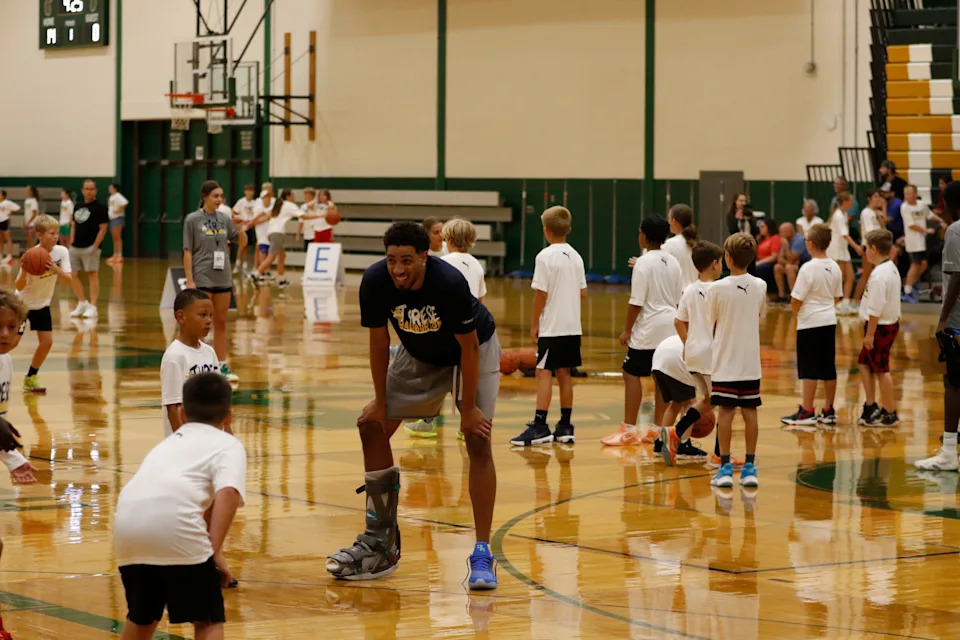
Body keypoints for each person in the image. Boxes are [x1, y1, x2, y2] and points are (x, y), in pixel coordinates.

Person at [325, 222, 501, 590]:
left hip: (472, 349)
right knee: (371, 425)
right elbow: (378, 342)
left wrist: (469, 409)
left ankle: (482, 552)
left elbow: (468, 347)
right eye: (392, 260)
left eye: (406, 260)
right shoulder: (375, 281)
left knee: (478, 439)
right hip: (420, 353)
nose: (398, 269)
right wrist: (380, 401)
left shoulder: (448, 282)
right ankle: (380, 541)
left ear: (425, 256)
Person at [114, 373, 245, 640]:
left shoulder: (165, 446)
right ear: (229, 416)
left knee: (142, 617)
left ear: (182, 414)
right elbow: (228, 493)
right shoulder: (228, 445)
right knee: (207, 620)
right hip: (176, 528)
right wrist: (213, 552)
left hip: (127, 530)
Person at [601, 216, 681, 446]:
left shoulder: (643, 263)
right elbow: (679, 299)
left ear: (644, 237)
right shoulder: (673, 261)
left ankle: (628, 429)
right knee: (660, 377)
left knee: (631, 373)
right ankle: (656, 429)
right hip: (670, 326)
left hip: (649, 328)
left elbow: (636, 302)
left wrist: (627, 330)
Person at [407, 218, 490, 439]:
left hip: (444, 328)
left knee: (433, 376)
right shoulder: (476, 264)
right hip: (469, 330)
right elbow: (479, 302)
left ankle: (427, 421)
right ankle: (467, 425)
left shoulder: (441, 263)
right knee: (465, 380)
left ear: (447, 237)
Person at [511, 206, 586, 447]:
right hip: (572, 326)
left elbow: (540, 295)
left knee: (543, 372)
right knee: (565, 373)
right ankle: (565, 426)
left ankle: (540, 426)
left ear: (546, 230)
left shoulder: (544, 257)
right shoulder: (576, 256)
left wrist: (535, 323)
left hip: (553, 326)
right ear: (569, 229)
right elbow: (583, 293)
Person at [708, 233, 766, 488]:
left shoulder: (717, 288)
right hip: (750, 362)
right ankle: (750, 468)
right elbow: (760, 316)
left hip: (725, 361)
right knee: (750, 412)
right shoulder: (760, 285)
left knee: (726, 412)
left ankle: (724, 468)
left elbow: (711, 321)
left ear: (728, 258)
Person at [671, 241, 734, 468]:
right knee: (726, 403)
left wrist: (688, 343)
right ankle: (719, 455)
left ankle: (676, 433)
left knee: (709, 400)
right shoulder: (720, 289)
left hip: (693, 354)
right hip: (712, 355)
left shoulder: (689, 289)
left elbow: (678, 322)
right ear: (715, 264)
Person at [916, 180, 960, 470]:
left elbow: (958, 276)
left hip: (957, 322)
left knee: (953, 384)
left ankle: (948, 453)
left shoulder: (955, 230)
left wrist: (943, 319)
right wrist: (944, 288)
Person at [780, 224, 843, 426]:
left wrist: (797, 314)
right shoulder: (835, 266)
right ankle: (829, 410)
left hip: (810, 323)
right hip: (829, 321)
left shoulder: (807, 268)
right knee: (828, 367)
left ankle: (807, 411)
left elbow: (796, 299)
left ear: (810, 244)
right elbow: (837, 297)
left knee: (809, 368)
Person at [183, 180, 244, 384]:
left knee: (221, 321)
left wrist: (241, 228)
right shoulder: (192, 219)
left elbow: (242, 242)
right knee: (201, 323)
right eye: (215, 196)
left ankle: (221, 365)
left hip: (223, 276)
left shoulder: (225, 219)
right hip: (202, 276)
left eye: (221, 196)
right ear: (205, 197)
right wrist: (190, 280)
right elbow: (187, 251)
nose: (219, 199)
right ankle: (197, 365)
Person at [15, 215, 72, 394]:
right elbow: (18, 286)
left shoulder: (62, 252)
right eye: (51, 233)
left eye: (57, 233)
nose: (56, 237)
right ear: (39, 235)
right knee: (12, 342)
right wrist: (25, 271)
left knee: (46, 343)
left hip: (42, 304)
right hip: (22, 305)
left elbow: (68, 280)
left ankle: (30, 378)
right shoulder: (31, 255)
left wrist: (56, 270)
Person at [857, 229, 902, 427]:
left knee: (882, 369)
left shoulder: (879, 276)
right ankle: (870, 405)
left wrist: (870, 334)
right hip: (885, 325)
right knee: (864, 363)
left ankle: (889, 412)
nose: (865, 251)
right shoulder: (889, 268)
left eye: (866, 247)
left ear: (873, 249)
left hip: (880, 327)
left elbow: (875, 309)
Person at [161, 289, 220, 437]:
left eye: (211, 315)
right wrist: (184, 442)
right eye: (203, 315)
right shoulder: (174, 356)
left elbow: (219, 399)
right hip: (186, 439)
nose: (208, 320)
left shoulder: (210, 353)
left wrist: (227, 435)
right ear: (181, 317)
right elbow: (173, 407)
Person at [650, 334, 709, 465]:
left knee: (675, 403)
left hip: (659, 358)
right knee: (691, 403)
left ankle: (661, 442)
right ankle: (684, 444)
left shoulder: (698, 333)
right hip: (677, 358)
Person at [68, 179, 109, 319]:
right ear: (82, 190)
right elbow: (74, 224)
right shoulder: (77, 206)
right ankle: (82, 303)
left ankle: (93, 306)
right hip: (75, 247)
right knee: (73, 275)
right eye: (87, 188)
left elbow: (103, 229)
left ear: (96, 190)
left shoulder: (100, 208)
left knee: (92, 275)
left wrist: (95, 246)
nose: (89, 191)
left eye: (92, 189)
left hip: (90, 247)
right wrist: (71, 240)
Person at [901, 184, 941, 303]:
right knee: (915, 265)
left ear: (915, 194)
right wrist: (926, 230)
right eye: (905, 194)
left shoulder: (921, 205)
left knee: (923, 264)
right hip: (913, 241)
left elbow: (930, 215)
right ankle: (907, 291)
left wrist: (941, 221)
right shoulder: (905, 207)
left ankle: (911, 283)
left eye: (909, 193)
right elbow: (911, 225)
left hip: (922, 241)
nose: (906, 196)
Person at [827, 191, 863, 315]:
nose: (852, 203)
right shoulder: (838, 215)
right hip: (836, 249)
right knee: (839, 278)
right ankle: (835, 304)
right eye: (851, 200)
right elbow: (844, 235)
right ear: (845, 202)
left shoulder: (844, 214)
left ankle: (845, 303)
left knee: (851, 277)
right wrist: (856, 247)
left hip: (843, 249)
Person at [854, 189, 887, 304]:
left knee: (876, 275)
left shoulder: (877, 213)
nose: (878, 199)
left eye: (879, 197)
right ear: (869, 199)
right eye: (876, 196)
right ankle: (856, 300)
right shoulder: (866, 212)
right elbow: (870, 232)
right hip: (869, 246)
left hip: (877, 246)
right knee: (866, 274)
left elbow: (883, 229)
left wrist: (882, 213)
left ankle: (871, 299)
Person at [661, 204, 700, 289]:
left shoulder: (669, 244)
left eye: (669, 218)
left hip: (678, 293)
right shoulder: (696, 243)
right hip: (695, 292)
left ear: (674, 221)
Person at [773, 222, 808, 302]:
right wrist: (788, 262)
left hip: (804, 265)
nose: (780, 235)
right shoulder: (787, 240)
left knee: (789, 268)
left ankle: (794, 297)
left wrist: (786, 247)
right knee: (777, 267)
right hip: (794, 265)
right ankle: (782, 296)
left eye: (782, 232)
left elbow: (792, 259)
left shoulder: (799, 240)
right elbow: (779, 258)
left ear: (790, 231)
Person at [250, 183, 275, 275]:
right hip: (261, 230)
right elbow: (256, 218)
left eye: (267, 189)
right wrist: (263, 219)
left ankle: (265, 269)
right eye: (264, 189)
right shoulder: (258, 201)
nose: (265, 191)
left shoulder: (274, 201)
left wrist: (266, 217)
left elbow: (272, 214)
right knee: (261, 248)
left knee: (270, 250)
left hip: (271, 228)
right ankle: (260, 269)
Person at [231, 184, 257, 273]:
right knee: (242, 245)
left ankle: (245, 266)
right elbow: (233, 212)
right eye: (248, 191)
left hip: (250, 226)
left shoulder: (255, 203)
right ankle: (237, 265)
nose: (249, 193)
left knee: (247, 247)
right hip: (243, 227)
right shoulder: (241, 202)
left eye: (251, 191)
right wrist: (239, 220)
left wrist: (251, 222)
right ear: (245, 192)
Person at [753, 219, 782, 295]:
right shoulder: (761, 240)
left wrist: (758, 263)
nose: (760, 229)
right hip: (760, 262)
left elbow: (774, 257)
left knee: (758, 269)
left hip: (769, 264)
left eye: (763, 227)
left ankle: (763, 294)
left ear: (769, 227)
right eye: (760, 227)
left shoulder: (775, 238)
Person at [106, 183, 129, 265]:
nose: (109, 189)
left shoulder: (118, 196)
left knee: (117, 237)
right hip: (112, 218)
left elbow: (125, 203)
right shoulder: (111, 197)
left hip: (117, 218)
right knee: (114, 237)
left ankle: (119, 255)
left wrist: (119, 210)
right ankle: (115, 255)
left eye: (111, 188)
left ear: (115, 189)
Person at [0, 191, 20, 266]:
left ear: (3, 195)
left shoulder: (7, 202)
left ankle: (10, 256)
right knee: (0, 239)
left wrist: (10, 212)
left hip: (5, 221)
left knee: (8, 238)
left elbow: (18, 208)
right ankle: (0, 255)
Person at [22, 186, 40, 250]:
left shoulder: (34, 201)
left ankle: (33, 254)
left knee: (31, 239)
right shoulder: (27, 200)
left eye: (27, 190)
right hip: (27, 223)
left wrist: (28, 222)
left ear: (31, 191)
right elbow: (26, 213)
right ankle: (29, 253)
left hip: (32, 223)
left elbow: (34, 214)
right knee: (28, 239)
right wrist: (24, 222)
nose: (26, 191)